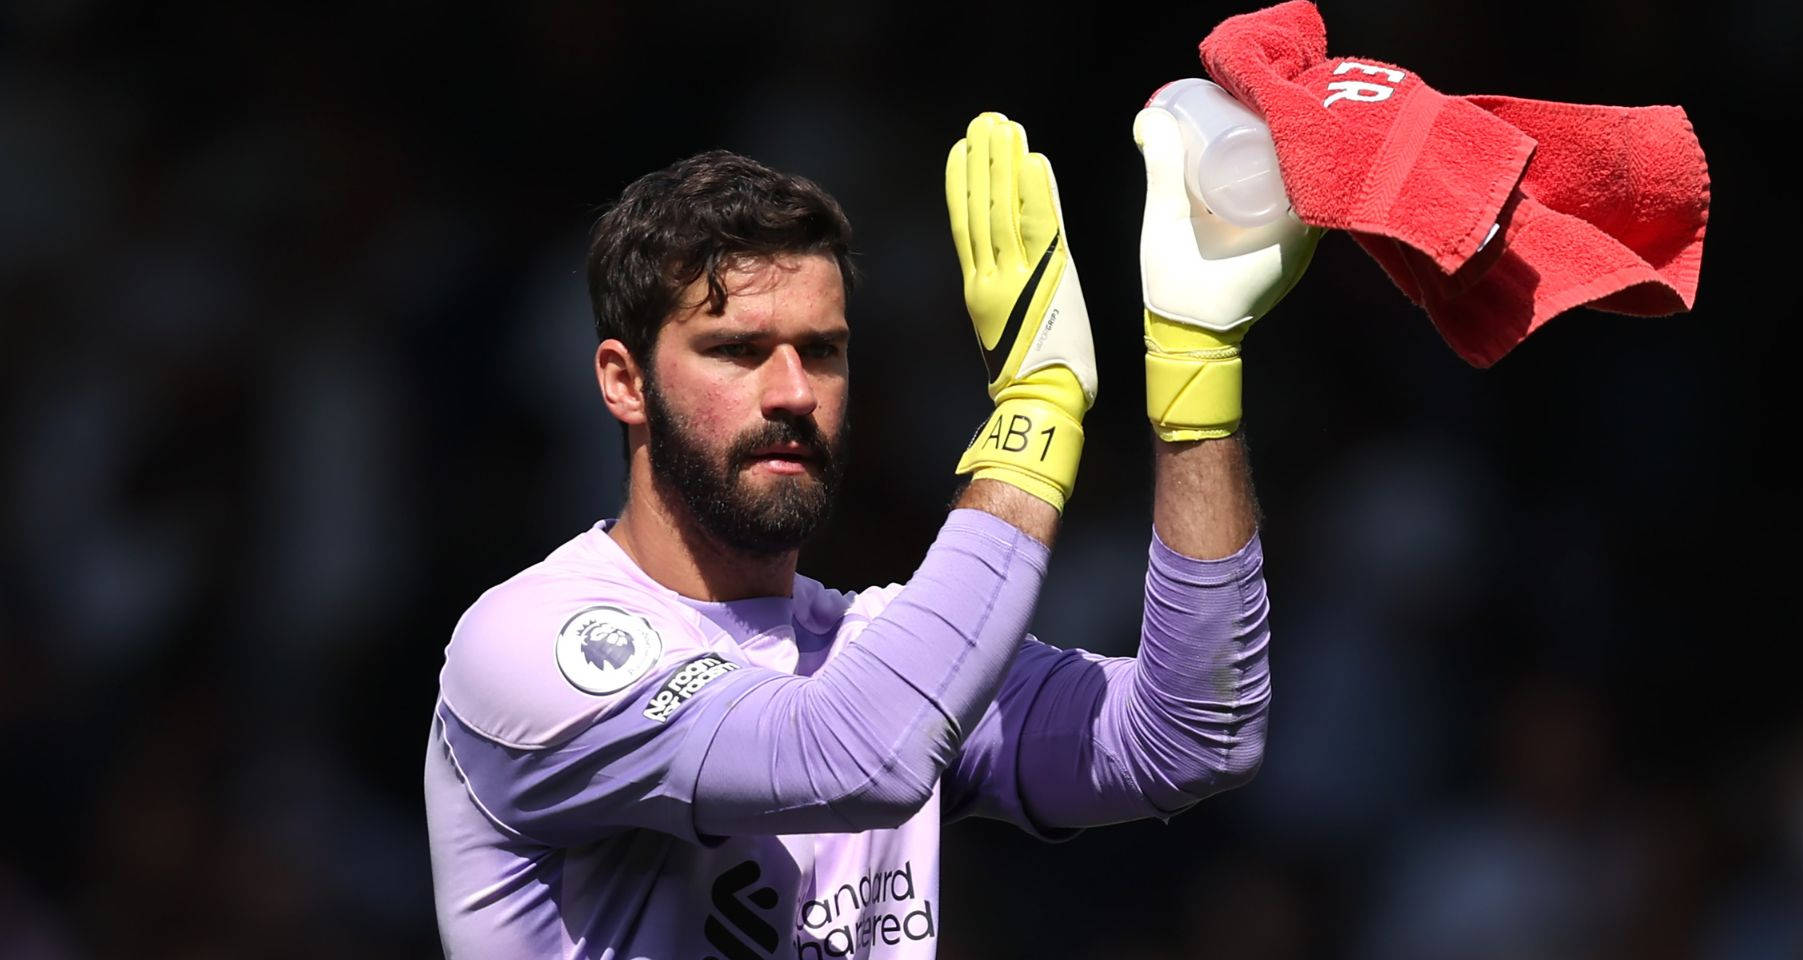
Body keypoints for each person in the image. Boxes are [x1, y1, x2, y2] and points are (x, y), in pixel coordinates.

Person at [424, 107, 1321, 959]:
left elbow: (1192, 734)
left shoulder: (877, 648)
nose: (793, 393)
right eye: (737, 350)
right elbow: (852, 755)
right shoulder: (530, 646)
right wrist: (1036, 410)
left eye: (822, 350)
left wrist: (1196, 374)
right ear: (623, 383)